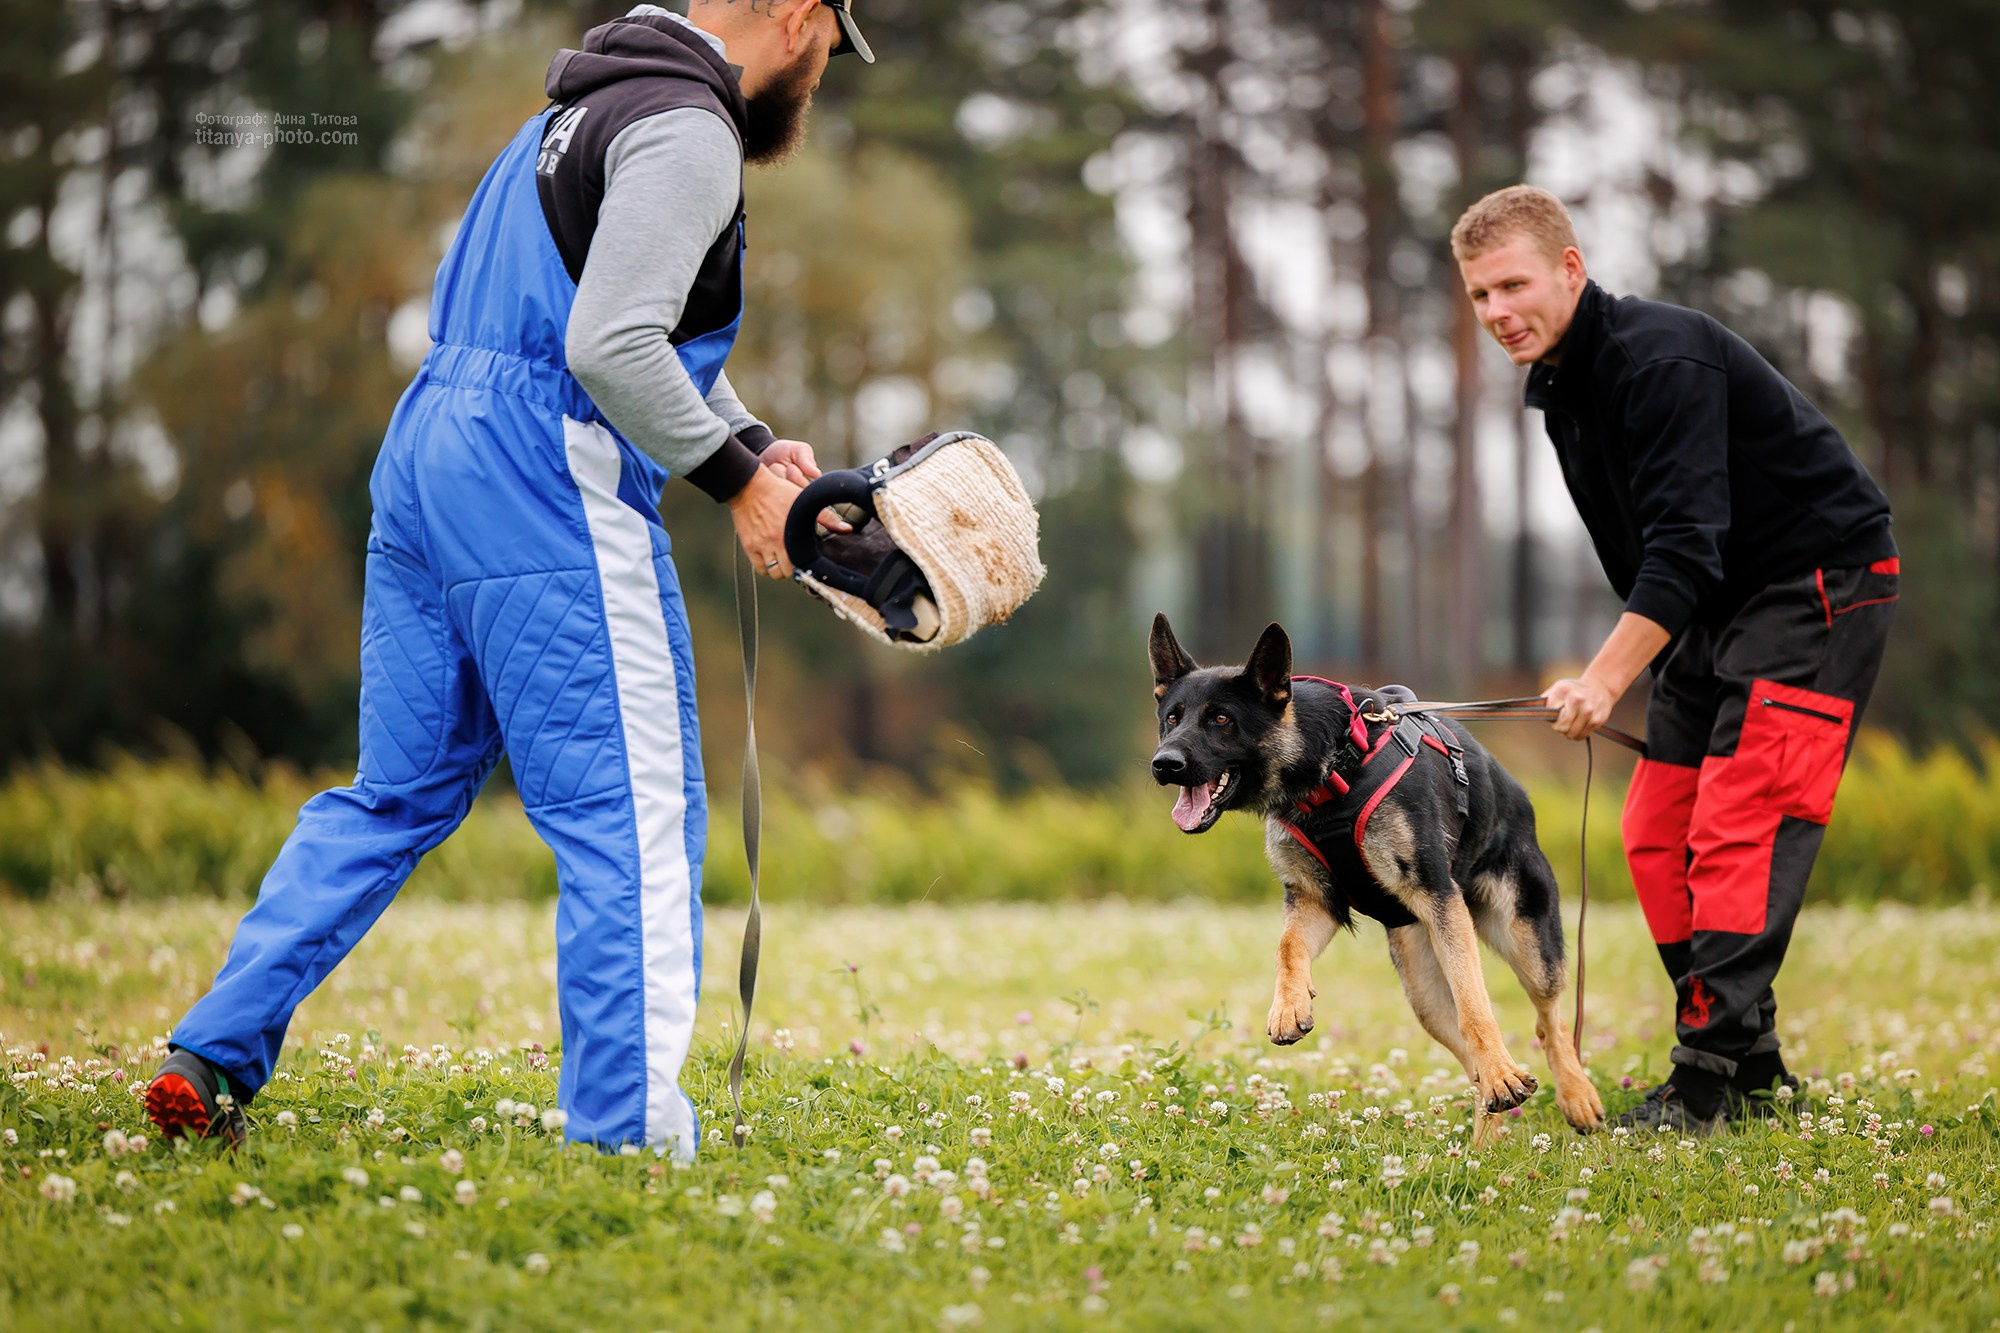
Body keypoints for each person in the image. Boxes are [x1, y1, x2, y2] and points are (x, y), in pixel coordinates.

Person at [144, 0, 874, 1156]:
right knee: (627, 815)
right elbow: (603, 351)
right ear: (796, 19)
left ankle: (209, 1053)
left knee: (393, 793)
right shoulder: (692, 130)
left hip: (432, 451)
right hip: (541, 474)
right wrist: (736, 485)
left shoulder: (571, 109)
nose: (823, 72)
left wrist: (752, 441)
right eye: (832, 47)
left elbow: (598, 328)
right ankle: (626, 1137)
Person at [1452, 185, 1897, 1133]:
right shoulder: (1564, 389)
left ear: (1571, 268)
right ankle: (1752, 1061)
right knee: (1658, 823)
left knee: (1739, 820)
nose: (1496, 313)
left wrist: (1606, 674)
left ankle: (1705, 1080)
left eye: (1513, 285)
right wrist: (1627, 654)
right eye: (1479, 295)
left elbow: (1684, 547)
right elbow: (1659, 557)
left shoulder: (1662, 358)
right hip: (1715, 605)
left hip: (1818, 580)